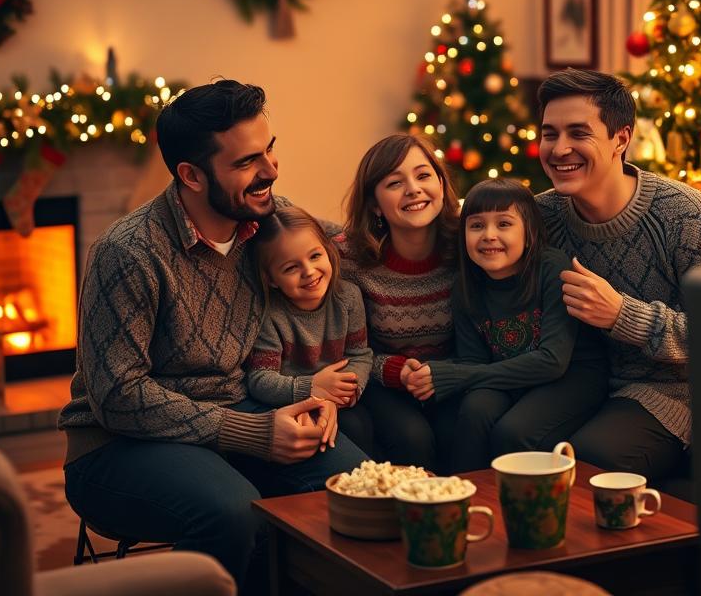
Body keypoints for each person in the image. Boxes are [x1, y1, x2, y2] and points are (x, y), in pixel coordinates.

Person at [57, 80, 366, 593]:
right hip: (117, 445)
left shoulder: (266, 219)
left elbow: (358, 247)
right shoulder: (128, 252)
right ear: (191, 175)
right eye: (247, 161)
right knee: (233, 513)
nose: (270, 169)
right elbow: (118, 396)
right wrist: (252, 433)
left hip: (237, 410)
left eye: (269, 149)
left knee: (358, 483)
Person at [535, 69, 701, 480]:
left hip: (672, 393)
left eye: (579, 133)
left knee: (592, 459)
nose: (559, 149)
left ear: (621, 138)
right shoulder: (541, 215)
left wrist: (622, 315)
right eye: (549, 134)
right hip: (577, 384)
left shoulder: (684, 214)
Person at [405, 178, 606, 472]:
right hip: (508, 374)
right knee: (474, 411)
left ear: (529, 233)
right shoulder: (466, 286)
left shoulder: (551, 268)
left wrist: (454, 376)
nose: (489, 235)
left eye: (503, 224)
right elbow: (474, 361)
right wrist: (441, 374)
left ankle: (513, 499)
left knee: (512, 431)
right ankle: (462, 493)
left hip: (572, 376)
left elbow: (552, 361)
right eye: (476, 226)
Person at [337, 134, 461, 472]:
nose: (413, 189)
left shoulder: (469, 245)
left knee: (462, 427)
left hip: (453, 376)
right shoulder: (348, 258)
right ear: (375, 204)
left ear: (440, 184)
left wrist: (443, 374)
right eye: (395, 183)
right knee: (412, 437)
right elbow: (347, 348)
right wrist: (397, 371)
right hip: (382, 380)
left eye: (423, 175)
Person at [247, 205, 375, 455]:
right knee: (338, 431)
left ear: (328, 251)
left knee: (361, 425)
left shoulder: (348, 297)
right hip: (291, 400)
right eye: (291, 268)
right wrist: (312, 389)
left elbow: (360, 354)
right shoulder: (270, 315)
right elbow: (260, 379)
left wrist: (344, 391)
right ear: (272, 279)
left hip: (338, 396)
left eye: (315, 256)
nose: (309, 271)